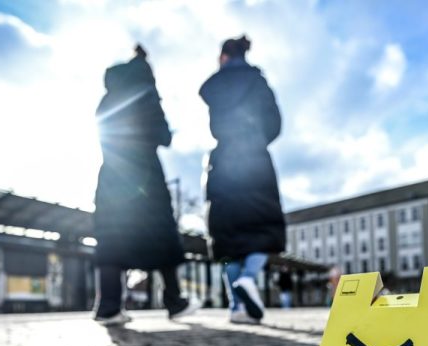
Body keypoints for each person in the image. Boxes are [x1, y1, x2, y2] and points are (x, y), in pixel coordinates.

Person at [93, 45, 199, 324]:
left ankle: (108, 307)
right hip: (144, 175)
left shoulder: (107, 99)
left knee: (112, 239)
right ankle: (174, 301)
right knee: (162, 235)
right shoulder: (146, 94)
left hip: (111, 175)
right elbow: (163, 135)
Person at [199, 35, 285, 324]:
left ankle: (237, 308)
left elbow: (214, 126)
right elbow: (275, 122)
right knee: (263, 227)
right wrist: (258, 138)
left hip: (223, 161)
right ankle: (249, 278)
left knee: (228, 239)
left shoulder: (217, 85)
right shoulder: (257, 81)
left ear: (223, 56)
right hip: (254, 160)